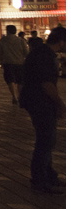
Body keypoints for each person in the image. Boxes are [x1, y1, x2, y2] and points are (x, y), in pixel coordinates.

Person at [20, 26, 65, 193]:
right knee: (45, 140)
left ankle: (49, 175)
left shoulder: (41, 52)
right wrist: (60, 103)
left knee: (47, 139)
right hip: (39, 101)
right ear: (61, 42)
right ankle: (40, 179)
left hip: (34, 100)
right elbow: (47, 84)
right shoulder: (45, 56)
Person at [0, 24, 29, 105]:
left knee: (10, 80)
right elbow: (26, 52)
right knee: (20, 81)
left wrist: (2, 61)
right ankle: (20, 95)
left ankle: (14, 96)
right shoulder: (20, 40)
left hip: (8, 62)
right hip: (20, 63)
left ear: (7, 31)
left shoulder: (3, 40)